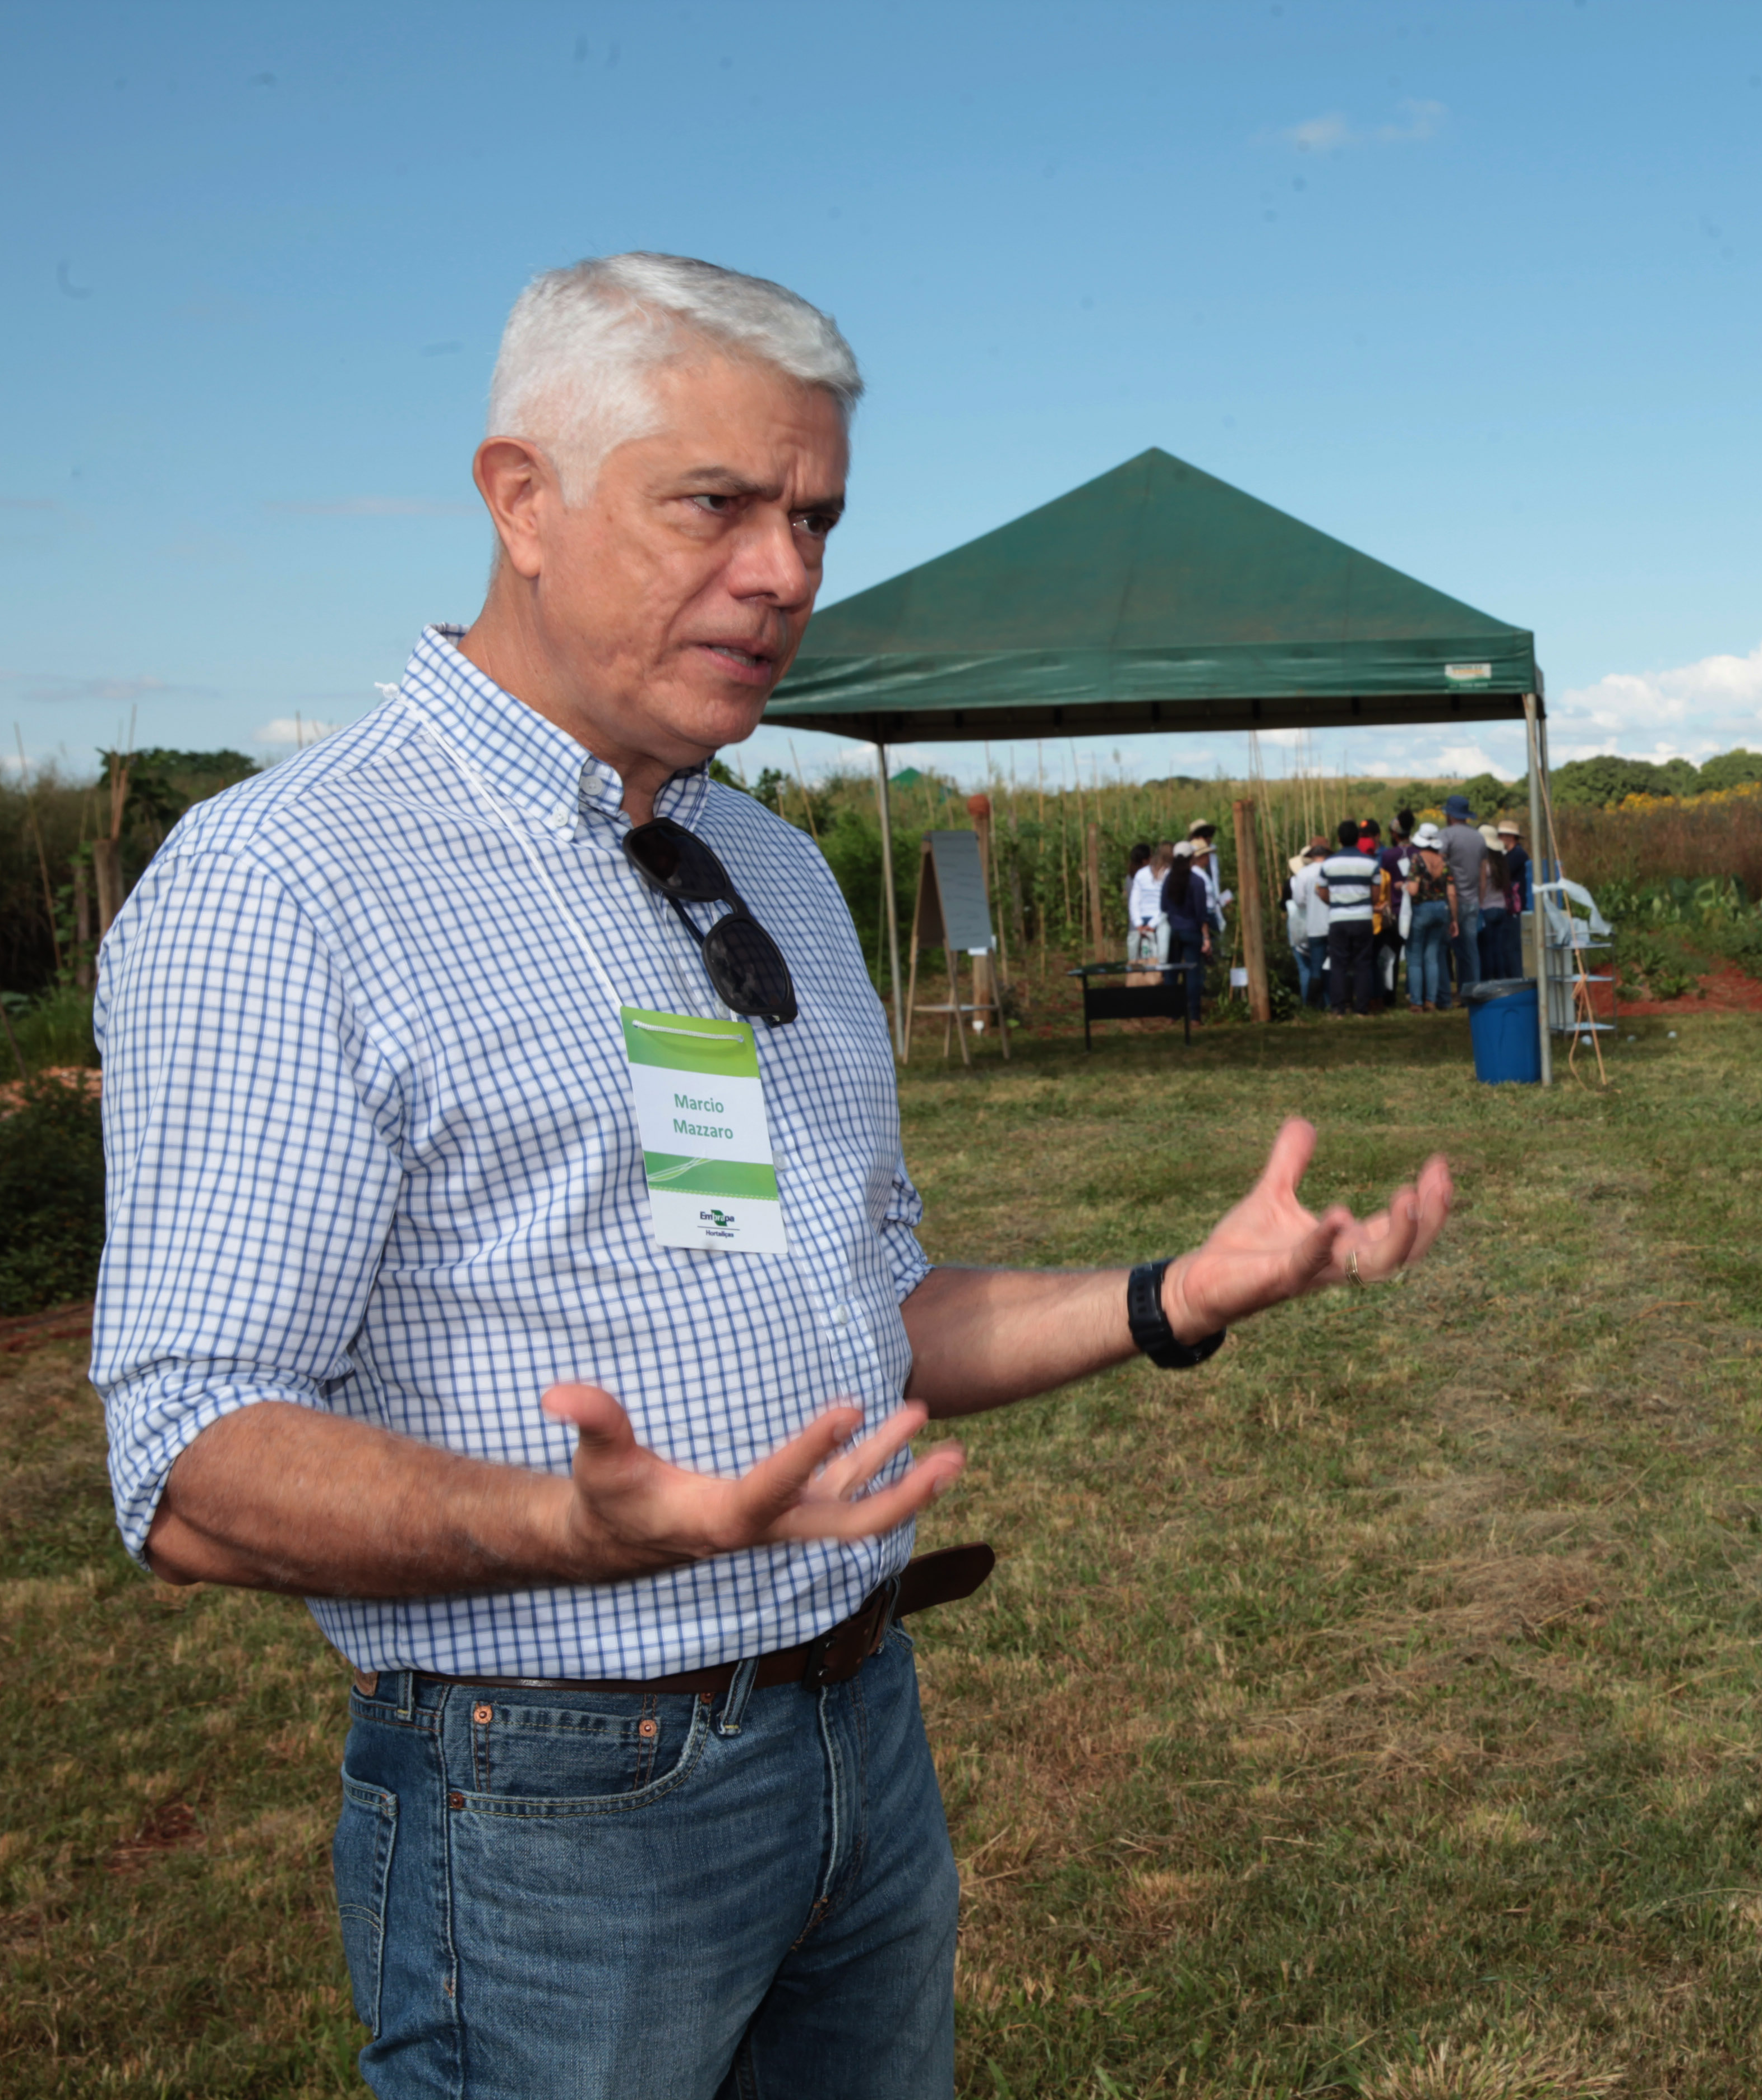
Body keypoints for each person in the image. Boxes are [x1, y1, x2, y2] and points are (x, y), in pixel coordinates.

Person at [88, 252, 1456, 2100]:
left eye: (811, 516)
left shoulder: (769, 866)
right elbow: (188, 1462)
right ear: (521, 500)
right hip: (553, 1797)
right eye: (713, 504)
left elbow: (867, 1315)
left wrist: (1170, 1296)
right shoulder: (292, 884)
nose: (784, 575)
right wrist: (567, 1530)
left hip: (854, 1737)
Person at [1319, 819, 1380, 1016]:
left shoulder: (1328, 864)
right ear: (1358, 839)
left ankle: (1338, 1008)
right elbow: (1376, 896)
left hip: (1338, 918)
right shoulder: (1371, 863)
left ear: (1338, 840)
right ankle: (1361, 1009)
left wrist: (1336, 902)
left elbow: (1322, 892)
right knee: (1363, 964)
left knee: (1339, 965)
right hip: (1363, 917)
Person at [1439, 792, 1488, 994]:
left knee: (1442, 948)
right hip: (1472, 900)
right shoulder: (1479, 837)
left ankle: (1444, 994)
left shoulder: (1446, 835)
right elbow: (1483, 872)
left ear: (1450, 815)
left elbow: (1439, 865)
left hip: (1451, 899)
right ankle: (1472, 989)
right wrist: (1481, 899)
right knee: (1469, 948)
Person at [1404, 822, 1456, 1011]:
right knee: (1432, 957)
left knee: (1415, 957)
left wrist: (1403, 886)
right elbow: (1451, 892)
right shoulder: (1445, 862)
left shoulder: (1417, 859)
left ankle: (1417, 1001)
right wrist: (1454, 919)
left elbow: (1413, 890)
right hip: (1441, 909)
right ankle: (1432, 1001)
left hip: (1422, 909)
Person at [1160, 840, 1211, 1025]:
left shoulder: (1168, 880)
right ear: (1192, 858)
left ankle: (1172, 1014)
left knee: (1172, 974)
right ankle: (1195, 1016)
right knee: (1193, 974)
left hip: (1173, 931)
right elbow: (1201, 914)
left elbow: (1163, 906)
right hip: (1192, 932)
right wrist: (1206, 937)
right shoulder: (1197, 882)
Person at [1479, 816, 1529, 981]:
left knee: (1507, 948)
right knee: (1502, 947)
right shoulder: (1505, 857)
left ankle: (1511, 979)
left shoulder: (1517, 855)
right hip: (1504, 906)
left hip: (1509, 907)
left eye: (1502, 835)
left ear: (1510, 837)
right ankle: (1507, 978)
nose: (1500, 838)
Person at [1286, 839, 1331, 1010]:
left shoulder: (1303, 874)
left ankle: (1313, 1005)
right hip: (1333, 925)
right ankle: (1332, 1003)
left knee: (1315, 967)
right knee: (1333, 966)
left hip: (1314, 926)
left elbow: (1299, 901)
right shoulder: (1332, 870)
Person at [1124, 838, 1164, 965]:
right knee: (1150, 958)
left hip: (1135, 924)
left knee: (1137, 959)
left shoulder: (1129, 877)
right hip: (1144, 924)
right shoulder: (1142, 876)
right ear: (1145, 860)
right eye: (1151, 856)